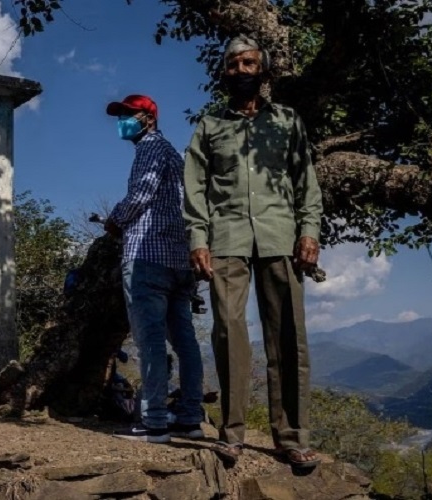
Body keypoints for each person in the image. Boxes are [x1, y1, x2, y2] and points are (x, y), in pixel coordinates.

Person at [183, 35, 324, 468]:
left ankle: (291, 437)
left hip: (281, 239)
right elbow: (195, 189)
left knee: (288, 338)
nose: (241, 70)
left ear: (262, 71)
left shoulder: (287, 121)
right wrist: (198, 240)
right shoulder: (209, 126)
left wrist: (309, 230)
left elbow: (306, 181)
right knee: (228, 331)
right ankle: (232, 433)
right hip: (225, 241)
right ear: (224, 73)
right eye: (233, 65)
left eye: (249, 63)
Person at [104, 94, 206, 443]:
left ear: (148, 118)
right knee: (185, 342)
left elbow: (141, 194)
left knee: (149, 341)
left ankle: (154, 421)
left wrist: (115, 221)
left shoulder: (149, 148)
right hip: (179, 260)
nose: (123, 122)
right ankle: (191, 417)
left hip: (147, 256)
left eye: (129, 115)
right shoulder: (175, 156)